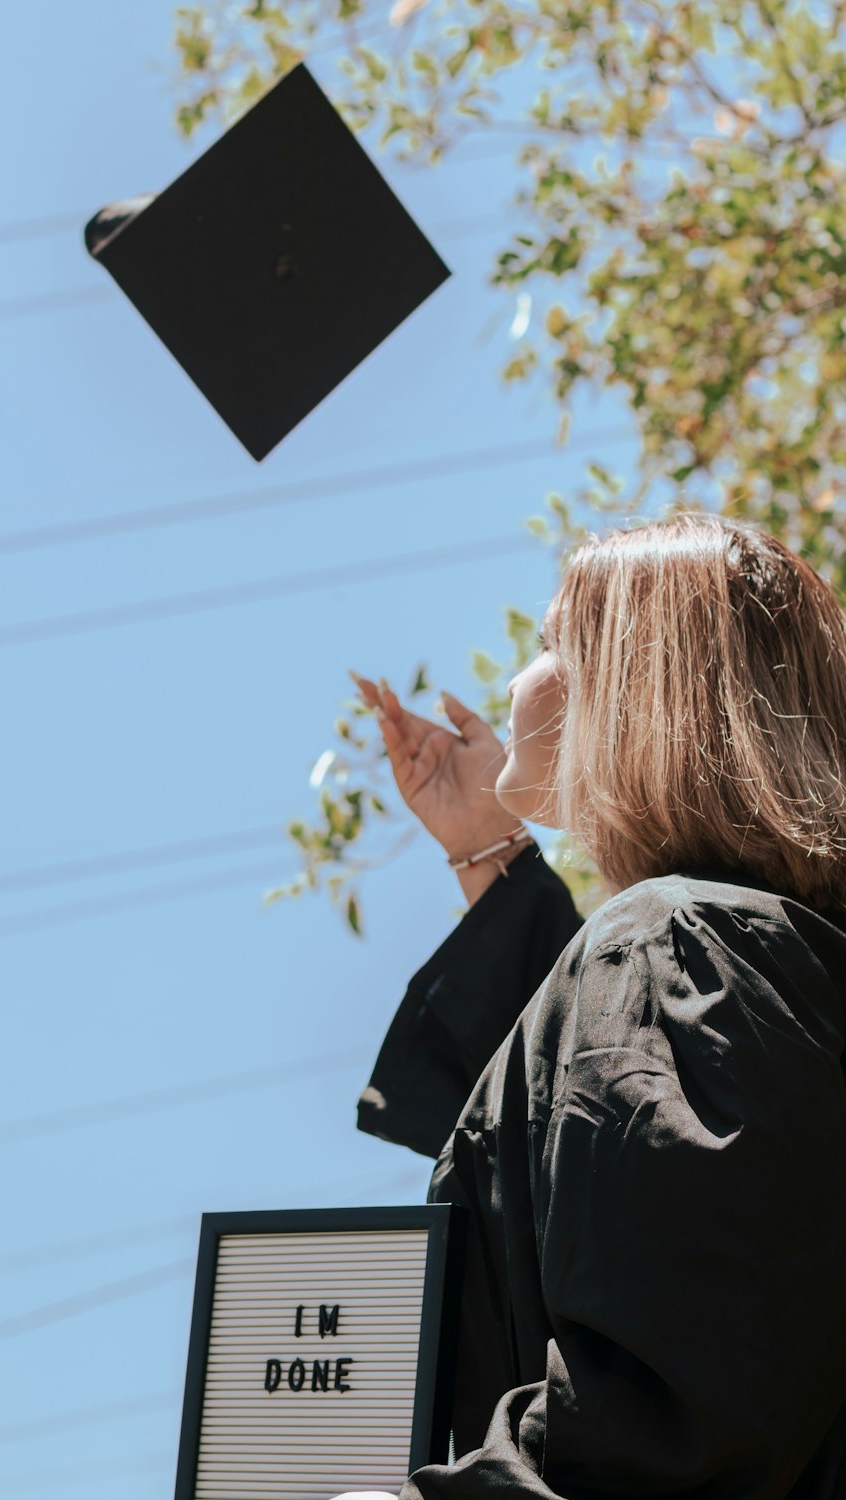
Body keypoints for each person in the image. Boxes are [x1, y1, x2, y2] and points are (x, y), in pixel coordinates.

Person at [338, 512, 846, 1499]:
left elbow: (673, 1411)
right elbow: (598, 1163)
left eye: (545, 644)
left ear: (626, 684)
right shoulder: (753, 953)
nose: (519, 679)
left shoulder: (675, 941)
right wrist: (491, 851)